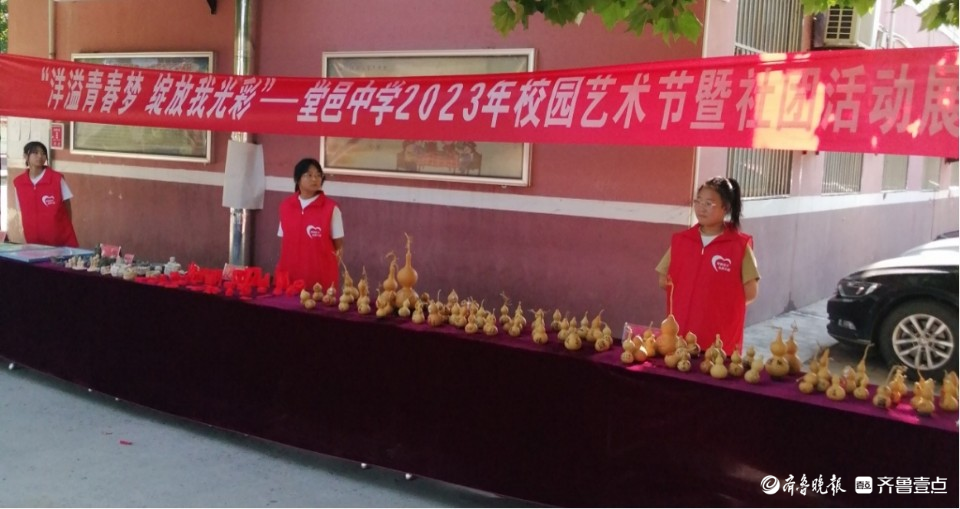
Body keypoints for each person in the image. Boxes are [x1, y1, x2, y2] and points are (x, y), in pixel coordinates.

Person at [655, 176, 759, 354]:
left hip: (719, 342)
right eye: (698, 201)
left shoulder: (739, 246)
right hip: (679, 338)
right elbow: (663, 279)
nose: (701, 208)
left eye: (709, 203)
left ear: (725, 207)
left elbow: (750, 293)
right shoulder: (681, 240)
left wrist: (717, 303)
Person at [276, 158, 344, 290]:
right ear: (298, 179)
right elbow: (284, 242)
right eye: (309, 175)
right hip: (290, 281)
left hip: (320, 283)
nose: (315, 179)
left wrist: (327, 270)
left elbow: (339, 247)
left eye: (318, 175)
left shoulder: (331, 208)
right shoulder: (286, 206)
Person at [12, 141, 79, 247]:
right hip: (33, 241)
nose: (40, 156)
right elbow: (21, 210)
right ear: (25, 156)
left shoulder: (57, 179)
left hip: (60, 241)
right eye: (35, 153)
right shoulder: (19, 183)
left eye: (43, 153)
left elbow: (67, 206)